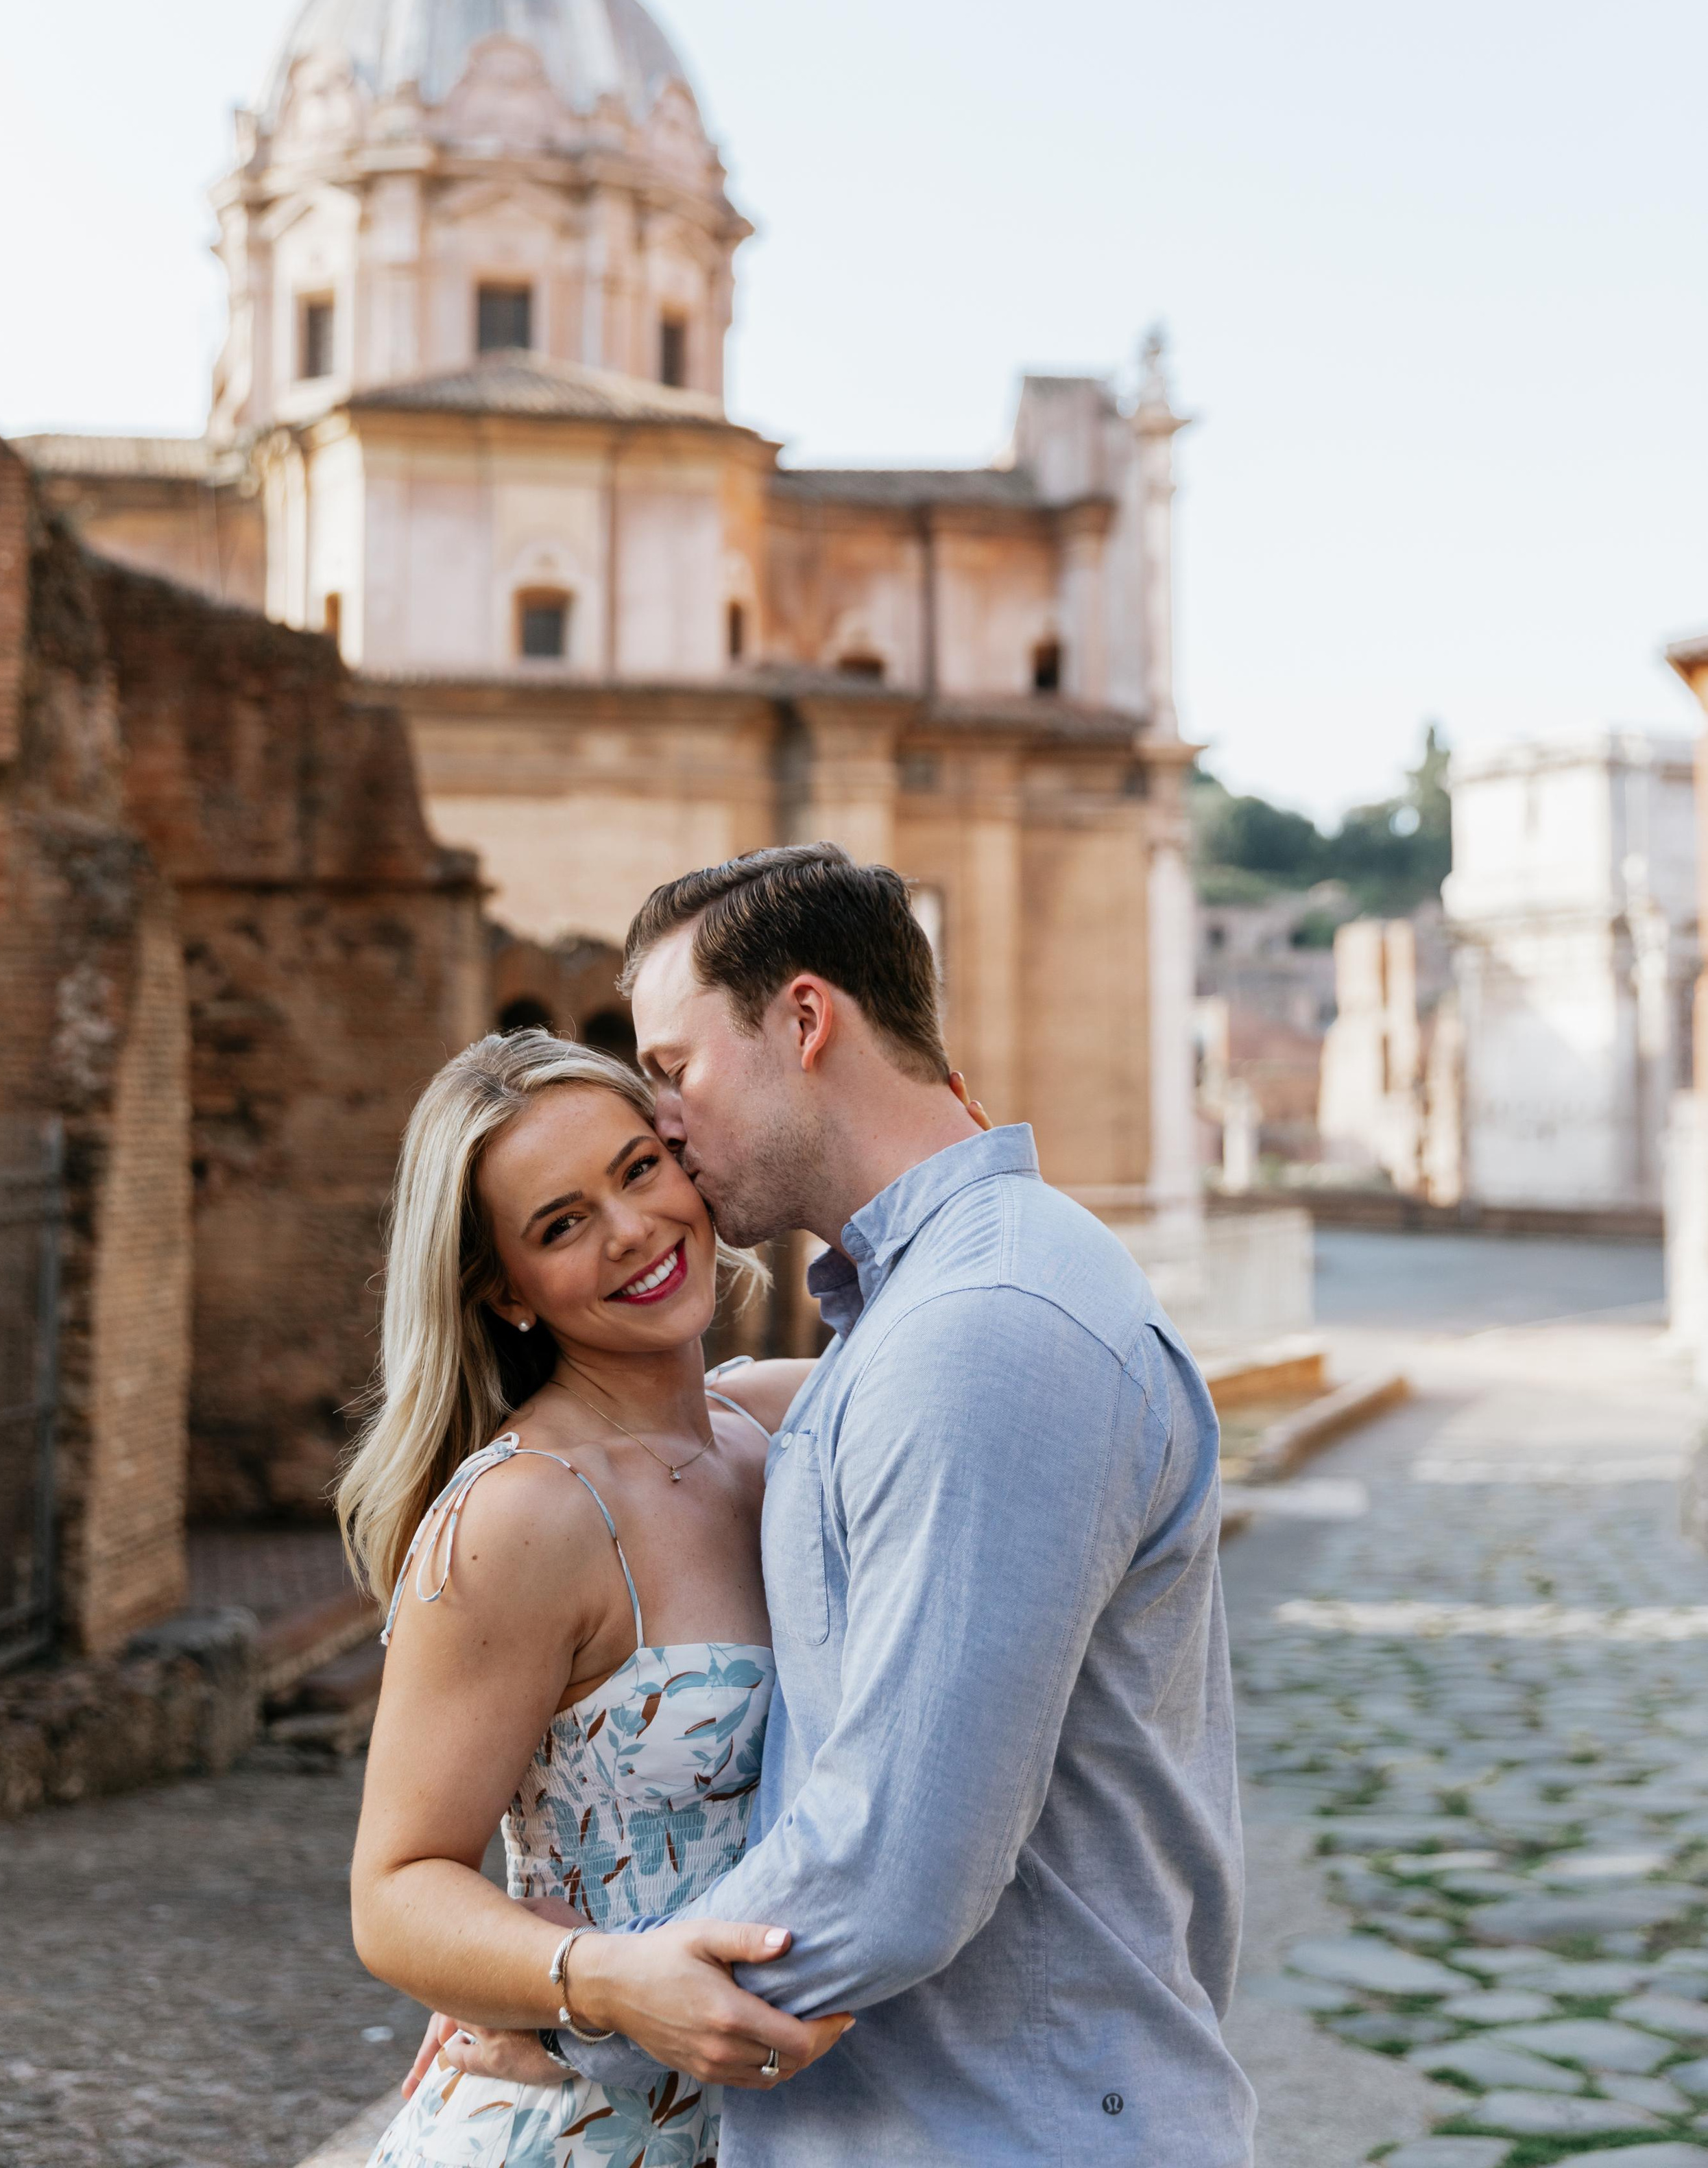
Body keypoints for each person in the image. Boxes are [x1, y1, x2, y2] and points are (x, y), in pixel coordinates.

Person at [517, 842, 1260, 2165]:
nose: (663, 1124)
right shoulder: (940, 1314)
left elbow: (887, 1878)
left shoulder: (983, 1328)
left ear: (806, 1020)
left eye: (675, 1070)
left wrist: (571, 2005)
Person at [341, 1031, 859, 2168]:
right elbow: (396, 1888)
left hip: (786, 2128)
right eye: (561, 1225)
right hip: (574, 2133)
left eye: (637, 1170)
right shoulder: (526, 1515)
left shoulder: (780, 1424)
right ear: (505, 1293)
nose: (631, 1231)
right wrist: (594, 1982)